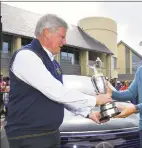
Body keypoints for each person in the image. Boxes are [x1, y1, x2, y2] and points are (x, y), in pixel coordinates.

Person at [5, 14, 112, 148]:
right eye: (62, 36)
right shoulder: (26, 56)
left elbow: (60, 97)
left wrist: (88, 113)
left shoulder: (54, 63)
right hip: (29, 136)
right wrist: (95, 100)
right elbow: (56, 92)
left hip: (50, 134)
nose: (65, 41)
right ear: (46, 33)